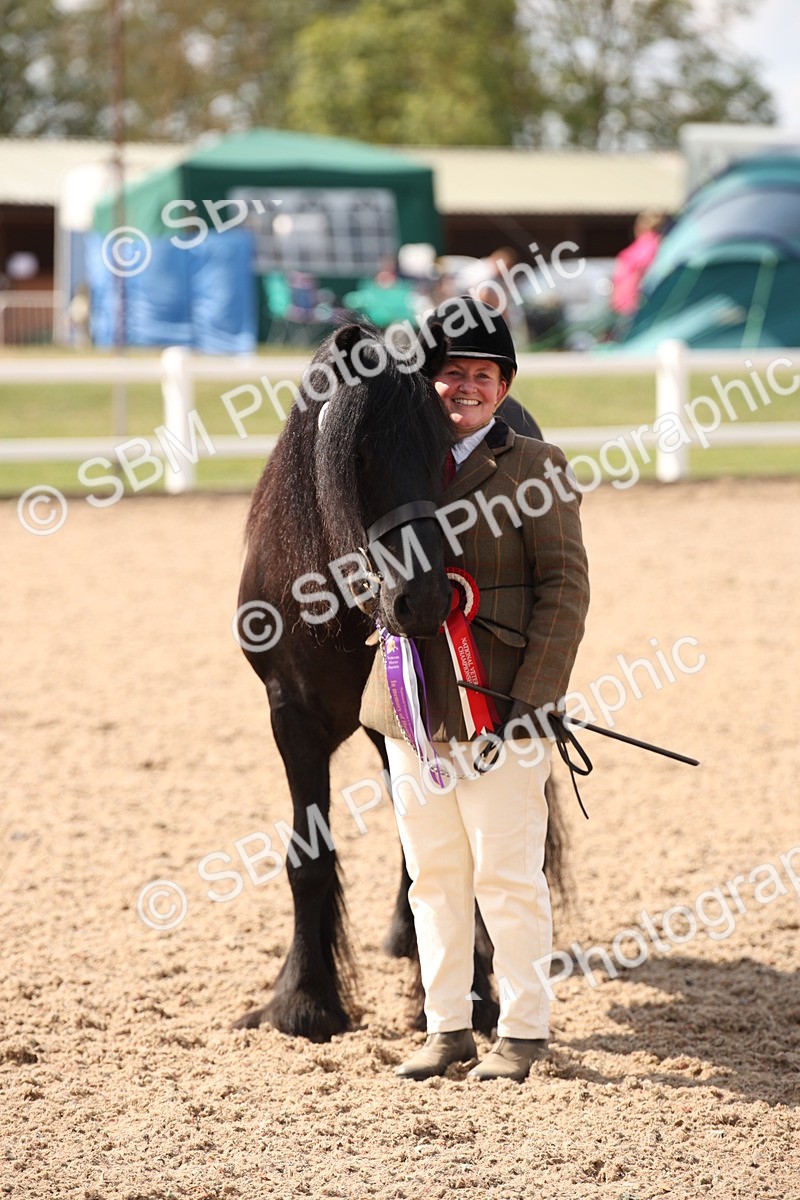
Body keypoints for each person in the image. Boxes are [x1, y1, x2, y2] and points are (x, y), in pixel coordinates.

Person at [360, 296, 590, 1082]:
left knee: (505, 874)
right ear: (428, 382)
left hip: (500, 702)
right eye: (450, 373)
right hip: (413, 705)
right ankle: (446, 1028)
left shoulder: (535, 465)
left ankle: (522, 1032)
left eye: (481, 375)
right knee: (433, 874)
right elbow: (372, 566)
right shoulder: (401, 464)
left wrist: (536, 698)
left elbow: (564, 587)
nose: (465, 387)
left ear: (505, 383)